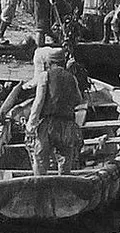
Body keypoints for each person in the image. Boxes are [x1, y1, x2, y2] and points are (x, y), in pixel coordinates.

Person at [25, 47, 82, 176]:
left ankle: (39, 184)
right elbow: (78, 100)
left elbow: (38, 102)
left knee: (40, 158)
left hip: (48, 124)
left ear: (49, 63)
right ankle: (64, 185)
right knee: (65, 159)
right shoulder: (72, 78)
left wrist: (31, 125)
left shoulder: (45, 76)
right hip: (66, 125)